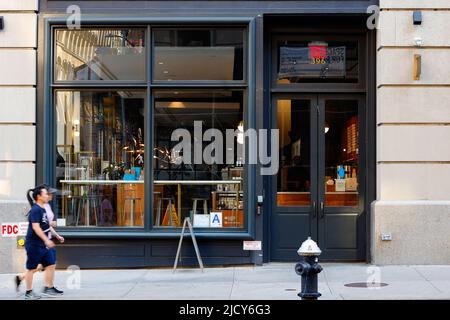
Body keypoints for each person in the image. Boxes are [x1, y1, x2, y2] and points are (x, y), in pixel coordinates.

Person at [14, 185, 63, 299]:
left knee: (50, 263)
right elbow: (36, 228)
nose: (47, 195)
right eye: (45, 193)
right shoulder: (36, 210)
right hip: (34, 244)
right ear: (39, 196)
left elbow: (45, 226)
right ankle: (29, 293)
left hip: (43, 244)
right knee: (31, 268)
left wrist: (56, 235)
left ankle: (48, 288)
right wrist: (46, 240)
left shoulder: (43, 209)